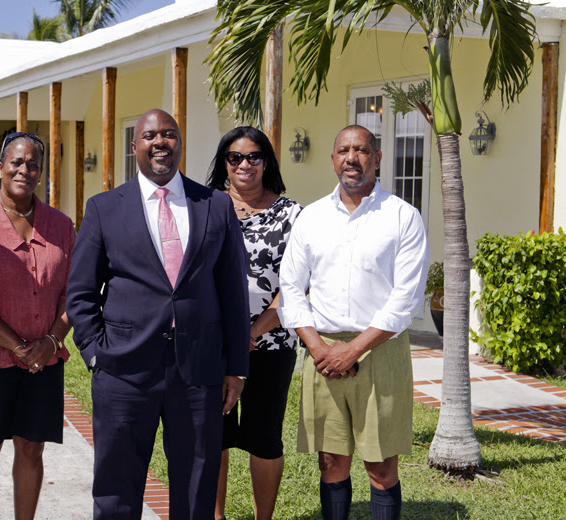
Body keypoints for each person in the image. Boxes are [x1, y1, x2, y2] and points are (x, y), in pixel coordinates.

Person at [66, 108, 250, 519]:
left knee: (197, 486)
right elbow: (80, 292)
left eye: (168, 134)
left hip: (199, 370)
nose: (159, 142)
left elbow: (233, 294)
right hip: (124, 371)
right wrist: (96, 353)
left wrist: (237, 367)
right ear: (135, 146)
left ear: (180, 143)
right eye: (149, 135)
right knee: (116, 488)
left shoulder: (216, 205)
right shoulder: (104, 208)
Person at [277, 125, 429, 520]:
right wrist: (318, 348)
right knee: (330, 462)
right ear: (333, 160)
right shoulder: (311, 218)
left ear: (377, 158)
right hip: (323, 354)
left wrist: (354, 349)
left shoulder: (402, 216)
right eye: (343, 150)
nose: (352, 157)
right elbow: (291, 288)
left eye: (361, 150)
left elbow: (406, 298)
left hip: (380, 351)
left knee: (381, 466)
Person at [0, 132, 75, 520]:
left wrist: (51, 341)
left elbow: (73, 292)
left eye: (33, 164)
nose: (24, 170)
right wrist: (19, 347)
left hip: (44, 360)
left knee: (32, 447)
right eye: (16, 162)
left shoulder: (61, 225)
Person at [206, 127, 301, 520]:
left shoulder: (292, 214)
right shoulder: (205, 207)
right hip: (213, 343)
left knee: (264, 436)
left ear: (267, 162)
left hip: (272, 343)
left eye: (254, 156)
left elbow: (296, 284)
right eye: (235, 157)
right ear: (224, 163)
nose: (244, 164)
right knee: (215, 434)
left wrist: (251, 332)